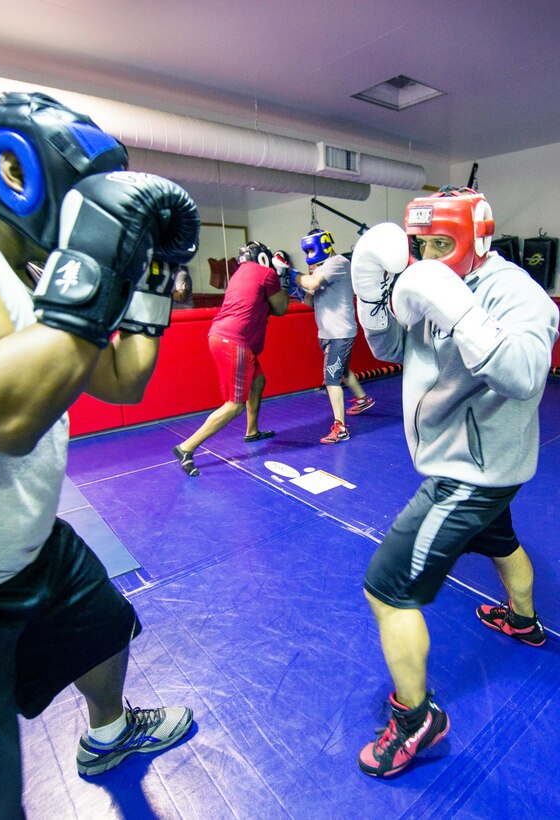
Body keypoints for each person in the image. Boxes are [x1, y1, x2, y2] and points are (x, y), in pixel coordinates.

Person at [0, 91, 201, 817]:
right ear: (16, 171)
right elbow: (3, 411)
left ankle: (107, 733)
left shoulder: (35, 281)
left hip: (30, 548)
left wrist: (153, 282)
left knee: (102, 625)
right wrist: (99, 253)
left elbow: (124, 380)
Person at [350, 187, 558, 778]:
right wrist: (376, 295)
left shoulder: (515, 291)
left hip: (470, 471)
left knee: (386, 588)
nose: (429, 256)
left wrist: (461, 310)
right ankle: (522, 620)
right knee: (500, 540)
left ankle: (417, 719)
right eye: (421, 244)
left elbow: (523, 374)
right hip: (476, 460)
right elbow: (390, 345)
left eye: (443, 243)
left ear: (477, 238)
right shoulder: (424, 274)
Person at [172, 241, 289, 476]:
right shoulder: (266, 273)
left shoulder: (239, 273)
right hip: (235, 342)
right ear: (263, 258)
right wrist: (282, 277)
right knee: (234, 405)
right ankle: (186, 448)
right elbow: (281, 308)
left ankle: (252, 431)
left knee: (258, 381)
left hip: (220, 336)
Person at [287, 230, 374, 444]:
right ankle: (363, 399)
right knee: (341, 369)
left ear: (321, 245)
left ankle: (340, 428)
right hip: (327, 332)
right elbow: (308, 300)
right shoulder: (321, 269)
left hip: (339, 333)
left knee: (331, 377)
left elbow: (311, 283)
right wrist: (296, 282)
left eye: (310, 249)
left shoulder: (338, 262)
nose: (309, 254)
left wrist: (291, 273)